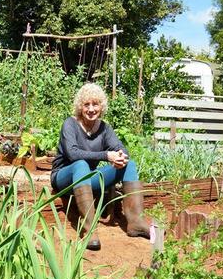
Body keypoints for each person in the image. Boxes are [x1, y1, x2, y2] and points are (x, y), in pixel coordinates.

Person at [50, 83, 149, 250]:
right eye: (86, 104)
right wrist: (106, 155)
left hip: (86, 179)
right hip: (63, 178)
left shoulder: (104, 128)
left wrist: (120, 156)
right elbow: (73, 154)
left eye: (95, 104)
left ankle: (136, 222)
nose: (91, 109)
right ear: (79, 106)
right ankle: (89, 231)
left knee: (129, 164)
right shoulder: (70, 124)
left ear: (101, 106)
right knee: (80, 164)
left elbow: (121, 148)